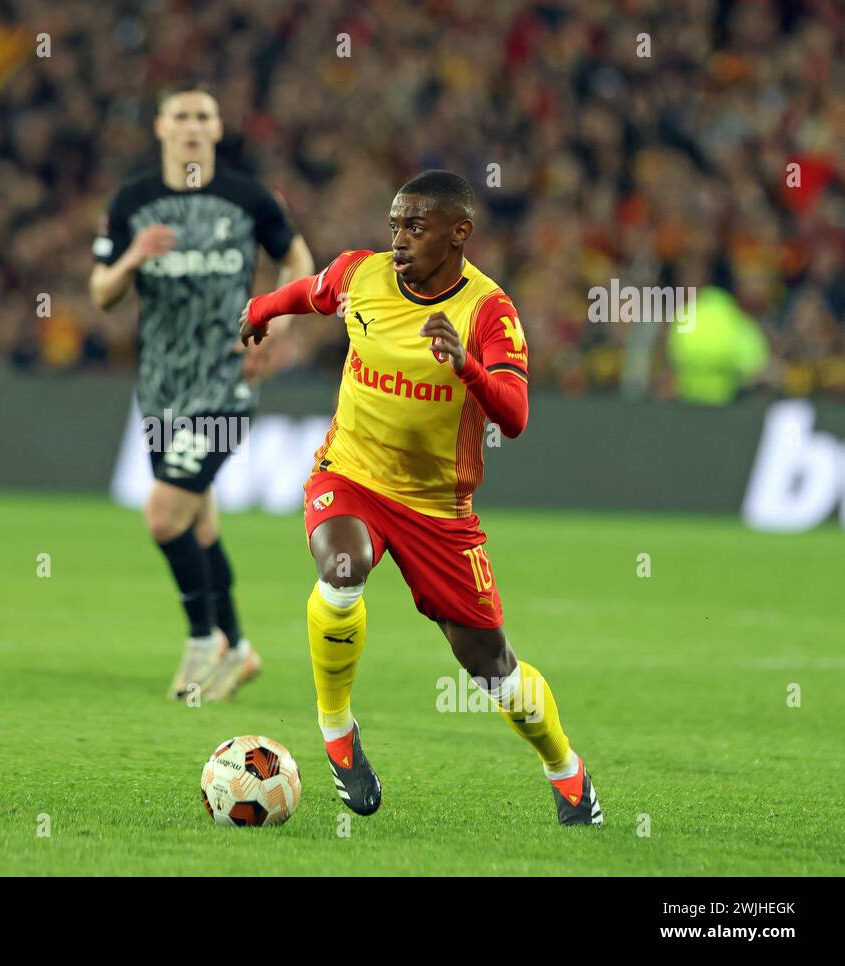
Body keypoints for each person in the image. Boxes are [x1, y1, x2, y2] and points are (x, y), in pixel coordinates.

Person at [239, 170, 602, 825]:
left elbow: (515, 416)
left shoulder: (489, 313)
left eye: (416, 227)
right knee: (341, 570)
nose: (399, 240)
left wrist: (467, 366)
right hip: (350, 476)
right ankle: (338, 733)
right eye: (394, 226)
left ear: (459, 232)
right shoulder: (363, 275)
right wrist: (260, 313)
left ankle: (568, 773)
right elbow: (309, 291)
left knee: (493, 666)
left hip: (439, 510)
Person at [90, 81, 315, 701]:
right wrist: (131, 257)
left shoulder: (247, 197)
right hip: (161, 387)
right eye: (181, 115)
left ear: (217, 130)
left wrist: (276, 326)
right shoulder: (132, 201)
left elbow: (299, 261)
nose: (192, 125)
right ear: (161, 128)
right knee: (200, 521)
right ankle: (238, 648)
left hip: (226, 380)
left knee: (164, 516)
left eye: (203, 116)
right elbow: (103, 294)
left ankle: (201, 640)